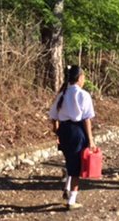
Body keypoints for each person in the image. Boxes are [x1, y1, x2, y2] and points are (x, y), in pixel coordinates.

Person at [49, 65, 96, 210]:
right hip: (77, 131)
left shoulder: (62, 94)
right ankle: (72, 200)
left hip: (64, 131)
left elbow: (53, 116)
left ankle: (67, 187)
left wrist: (57, 132)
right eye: (83, 77)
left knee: (70, 160)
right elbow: (87, 119)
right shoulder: (83, 95)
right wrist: (91, 140)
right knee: (76, 168)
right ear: (80, 78)